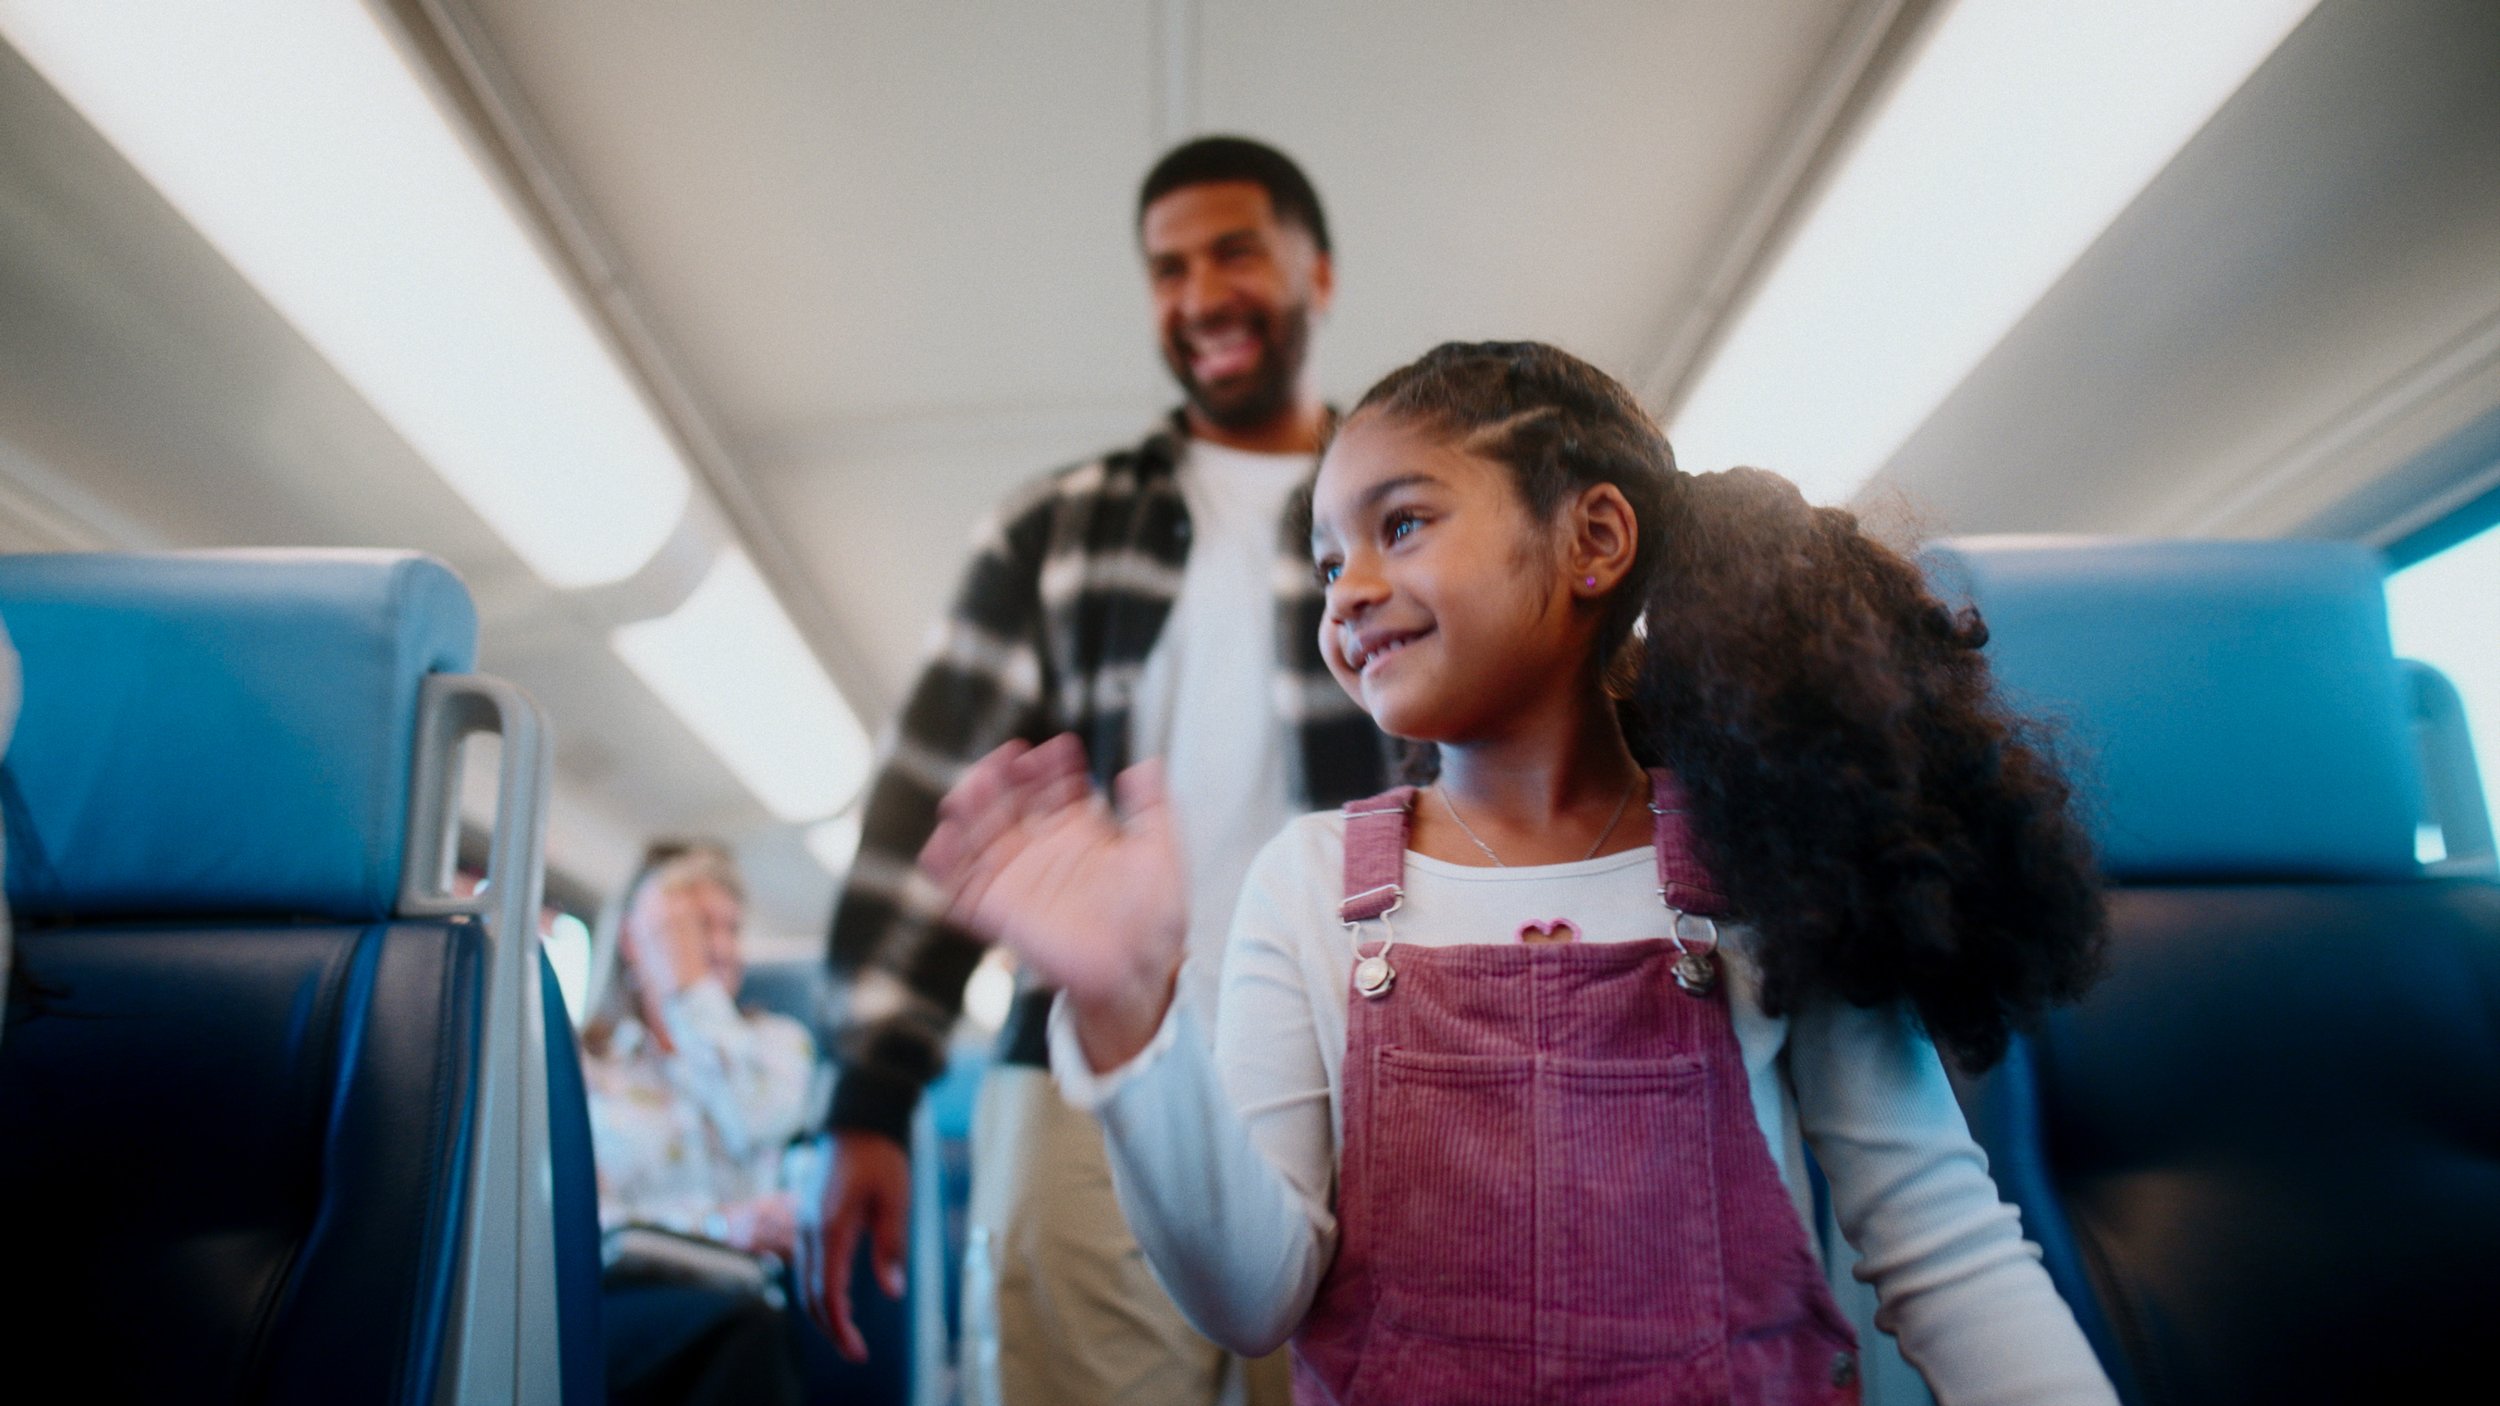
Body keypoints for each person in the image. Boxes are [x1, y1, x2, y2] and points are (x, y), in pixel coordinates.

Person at [921, 341, 2120, 1404]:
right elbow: (1250, 1295)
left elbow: (1944, 1248)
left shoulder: (1768, 857)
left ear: (1594, 538)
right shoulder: (1311, 880)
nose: (1348, 592)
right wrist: (1130, 1012)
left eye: (1400, 525)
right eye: (1327, 558)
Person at [807, 135, 1392, 1403]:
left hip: (1366, 1062)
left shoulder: (1406, 518)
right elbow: (935, 798)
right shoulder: (1055, 528)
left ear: (1319, 273)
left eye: (1235, 251)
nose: (1198, 295)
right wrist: (869, 1089)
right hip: (1087, 1075)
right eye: (1166, 268)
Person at [585, 841, 818, 1406]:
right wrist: (716, 1227)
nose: (718, 949)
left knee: (745, 1330)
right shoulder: (584, 1065)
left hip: (740, 1309)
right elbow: (582, 1224)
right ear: (632, 943)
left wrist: (689, 991)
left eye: (730, 930)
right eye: (692, 929)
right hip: (617, 1303)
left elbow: (755, 1120)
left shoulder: (776, 1046)